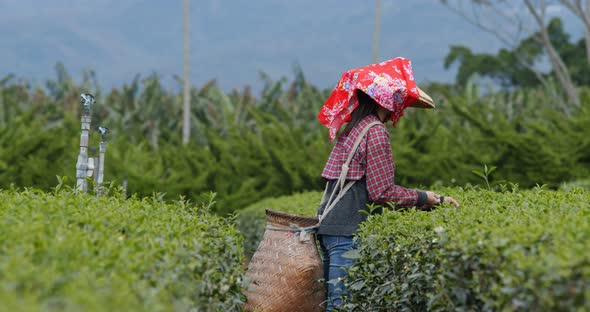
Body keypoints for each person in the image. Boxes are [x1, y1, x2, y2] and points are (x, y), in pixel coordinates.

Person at [315, 57, 459, 311]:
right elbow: (382, 192)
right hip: (348, 233)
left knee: (334, 305)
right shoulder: (375, 131)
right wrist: (424, 198)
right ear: (387, 99)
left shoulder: (354, 128)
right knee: (343, 306)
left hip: (329, 228)